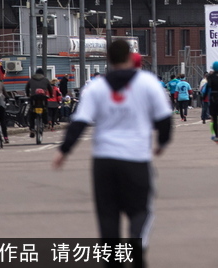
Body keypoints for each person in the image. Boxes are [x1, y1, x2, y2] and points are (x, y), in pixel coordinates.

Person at [53, 39, 172, 268]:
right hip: (136, 159)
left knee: (108, 215)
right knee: (140, 210)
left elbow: (79, 122)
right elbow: (165, 118)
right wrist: (162, 144)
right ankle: (136, 245)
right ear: (130, 57)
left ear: (108, 59)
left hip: (104, 161)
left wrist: (64, 151)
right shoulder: (147, 83)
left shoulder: (96, 87)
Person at [26, 67, 52, 138]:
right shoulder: (46, 80)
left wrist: (28, 95)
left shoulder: (31, 80)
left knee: (31, 113)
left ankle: (31, 129)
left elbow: (27, 88)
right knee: (45, 109)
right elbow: (50, 88)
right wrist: (51, 95)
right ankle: (46, 122)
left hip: (33, 98)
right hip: (43, 97)